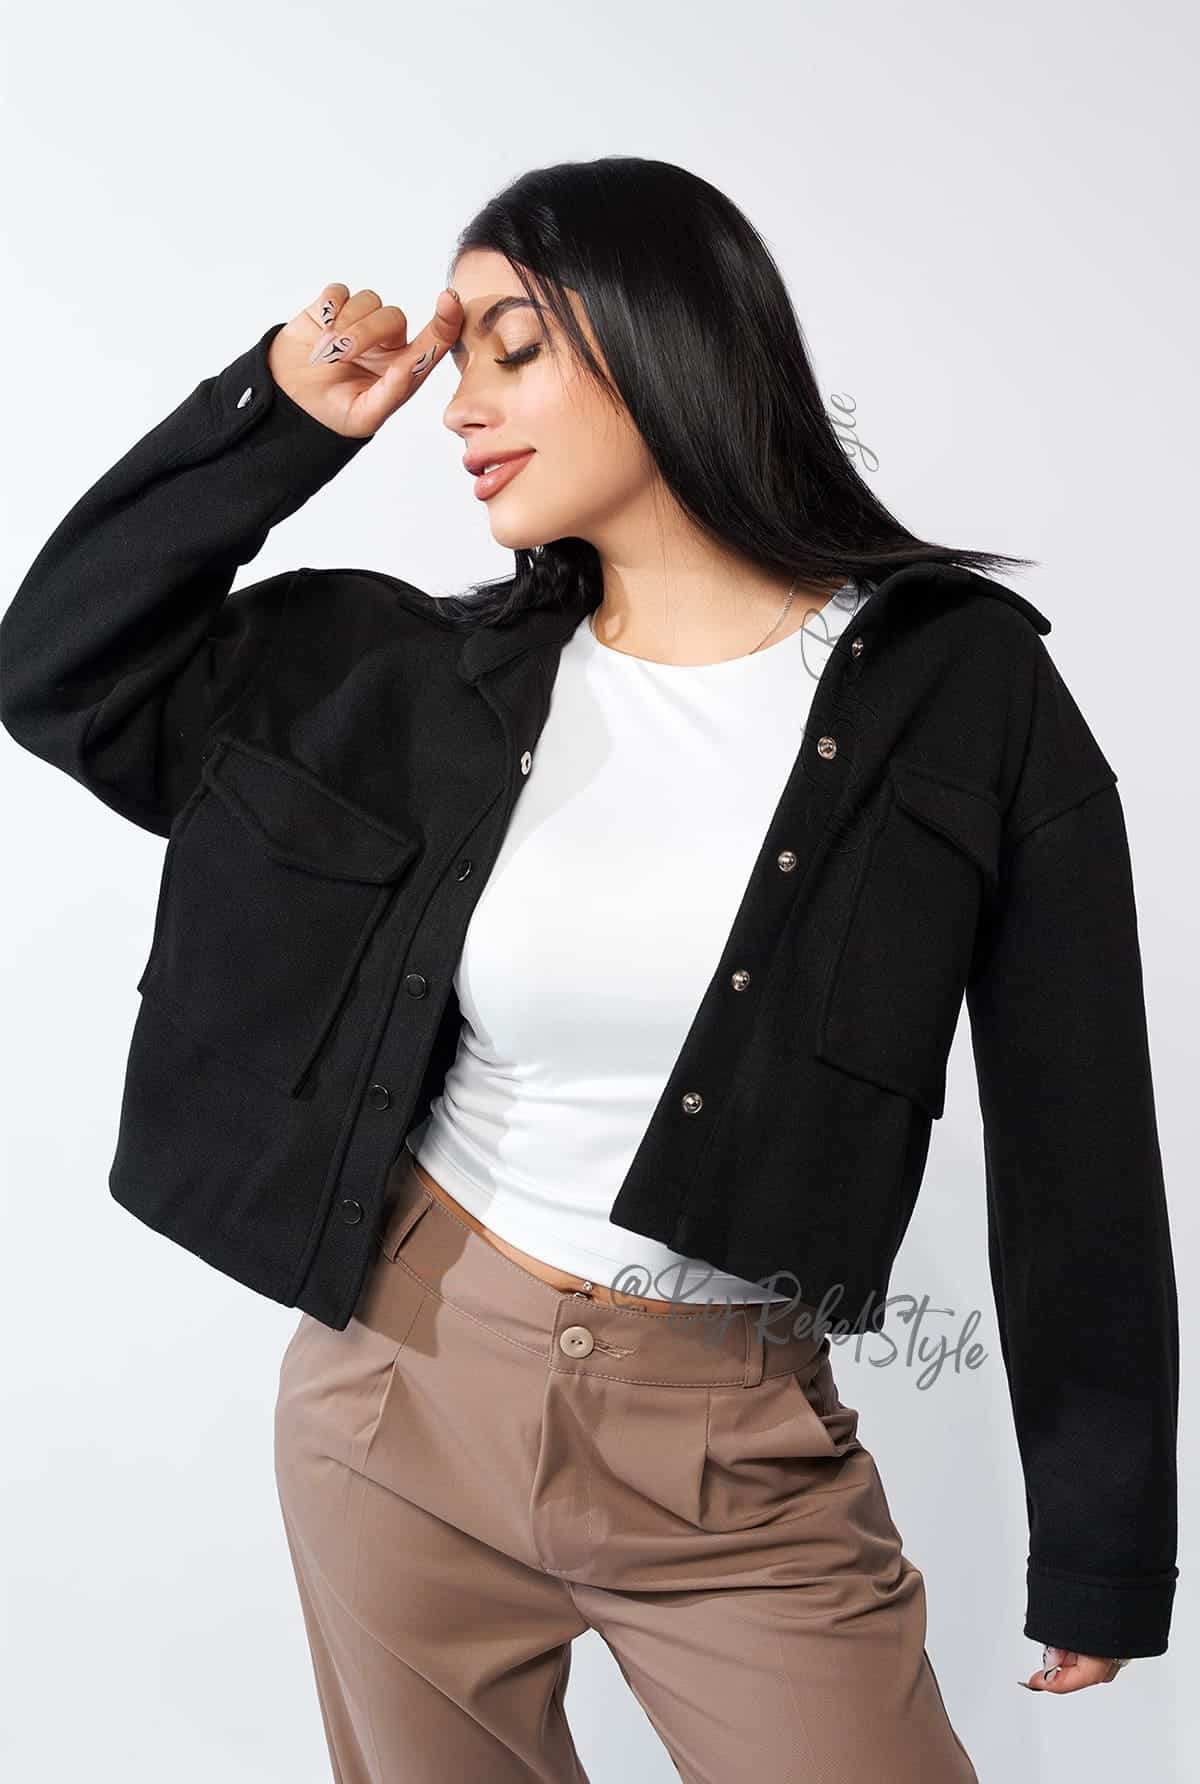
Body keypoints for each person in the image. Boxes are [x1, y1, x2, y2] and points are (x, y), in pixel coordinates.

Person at [0, 157, 1176, 1781]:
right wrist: (279, 418)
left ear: (663, 337)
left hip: (736, 1456)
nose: (459, 402)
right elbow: (59, 670)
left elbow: (1076, 1130)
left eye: (513, 346)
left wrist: (1102, 1537)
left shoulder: (957, 689)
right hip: (395, 1408)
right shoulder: (417, 686)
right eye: (457, 356)